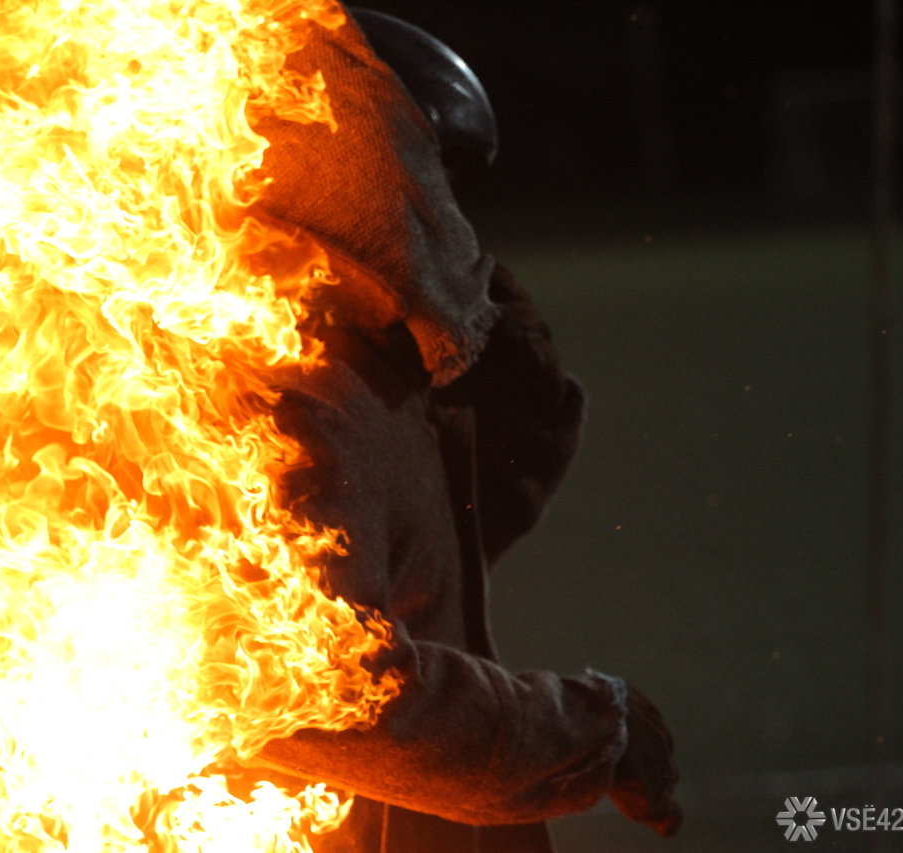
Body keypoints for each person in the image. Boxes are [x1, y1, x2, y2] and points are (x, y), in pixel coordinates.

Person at [242, 7, 683, 852]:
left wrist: (509, 369)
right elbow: (310, 687)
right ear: (362, 165)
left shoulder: (372, 363)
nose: (446, 215)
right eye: (434, 181)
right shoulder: (292, 392)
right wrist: (589, 733)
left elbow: (455, 545)